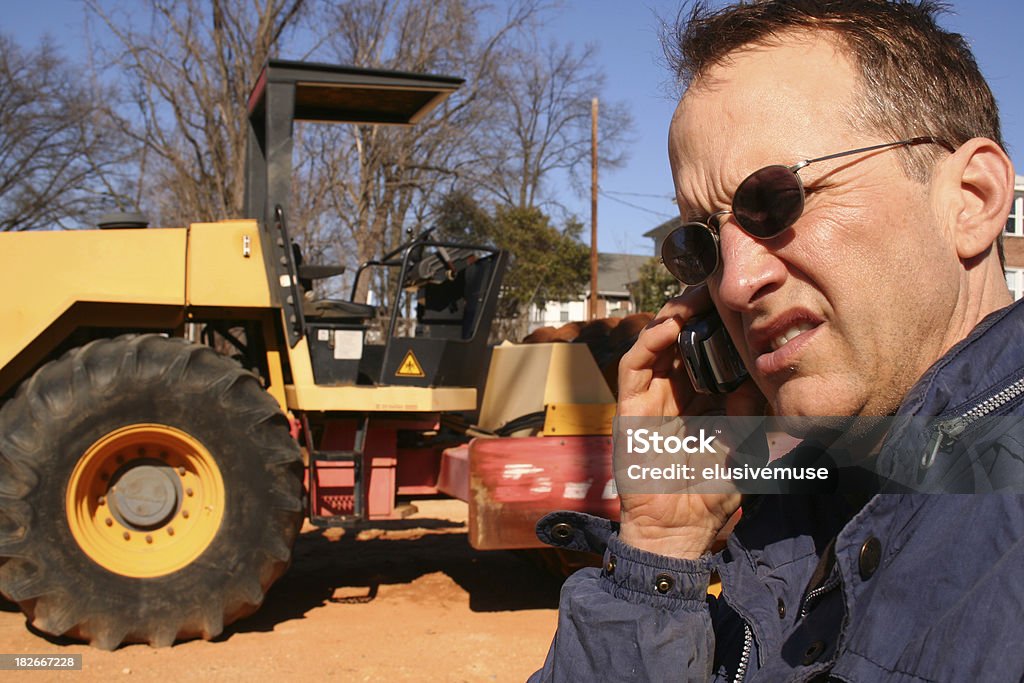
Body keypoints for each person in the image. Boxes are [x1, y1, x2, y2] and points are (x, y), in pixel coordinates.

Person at [530, 1, 1024, 680]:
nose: (734, 283)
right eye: (700, 242)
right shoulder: (797, 506)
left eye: (773, 200)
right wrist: (658, 555)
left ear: (971, 197)